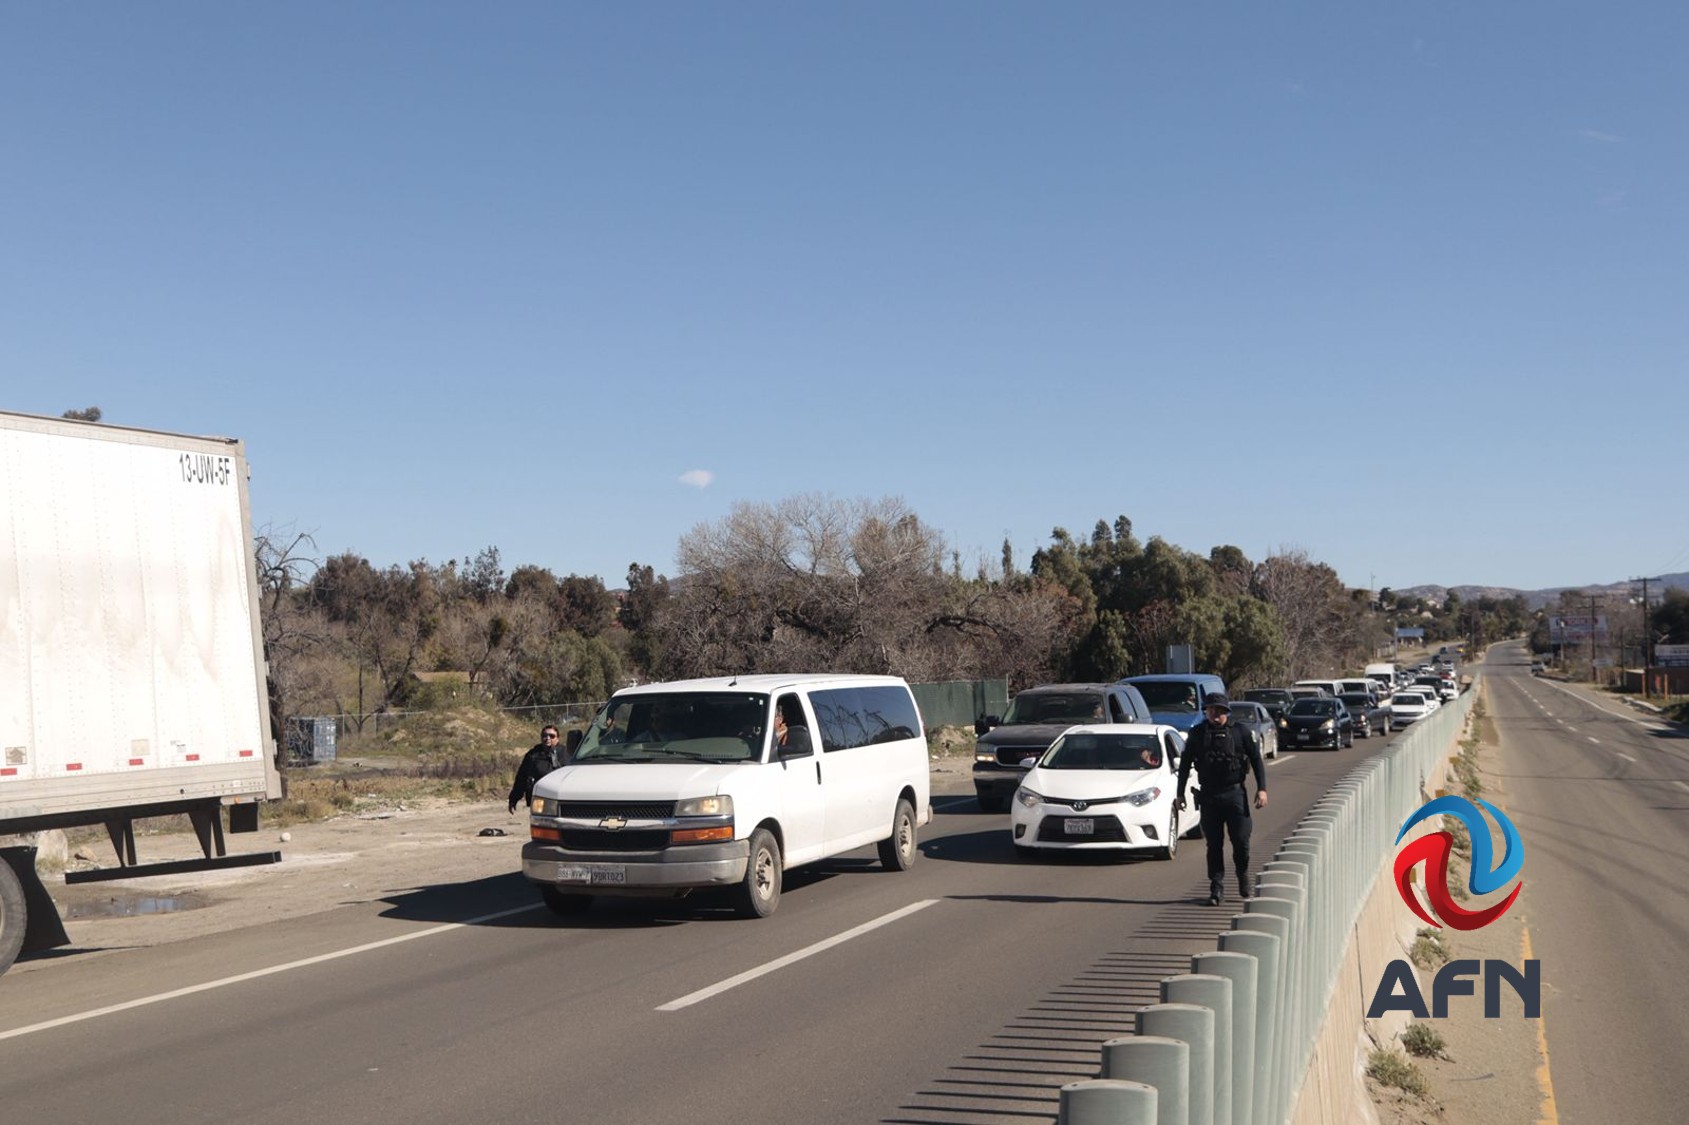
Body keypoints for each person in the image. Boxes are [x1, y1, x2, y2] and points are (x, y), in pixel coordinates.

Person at [1175, 694, 1268, 906]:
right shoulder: (1198, 733)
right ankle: (1216, 888)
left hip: (1235, 794)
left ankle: (1243, 875)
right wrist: (1180, 793)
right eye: (1210, 710)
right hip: (1209, 796)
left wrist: (1262, 789)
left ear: (1226, 711)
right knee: (1214, 845)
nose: (1215, 714)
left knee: (1241, 841)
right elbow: (1185, 764)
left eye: (1219, 710)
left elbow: (1256, 759)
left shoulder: (1240, 731)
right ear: (1206, 711)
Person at [508, 725, 564, 814]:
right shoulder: (533, 755)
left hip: (559, 799)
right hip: (538, 799)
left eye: (551, 736)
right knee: (539, 825)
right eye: (544, 735)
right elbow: (521, 777)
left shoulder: (566, 754)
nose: (547, 738)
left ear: (557, 738)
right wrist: (514, 798)